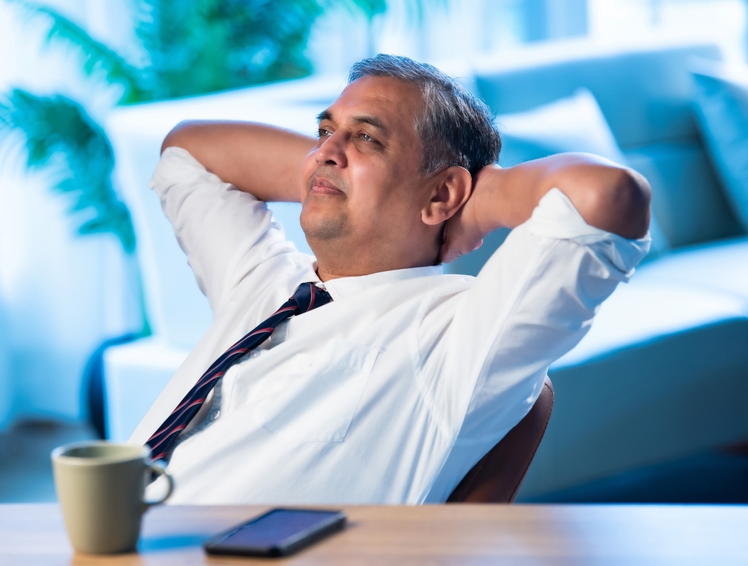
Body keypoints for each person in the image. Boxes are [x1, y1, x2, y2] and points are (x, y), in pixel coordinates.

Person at [130, 54, 651, 504]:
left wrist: (473, 204)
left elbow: (607, 195)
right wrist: (330, 169)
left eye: (367, 138)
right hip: (101, 534)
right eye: (324, 131)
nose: (327, 149)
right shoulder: (263, 284)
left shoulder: (458, 335)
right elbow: (186, 152)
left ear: (443, 195)